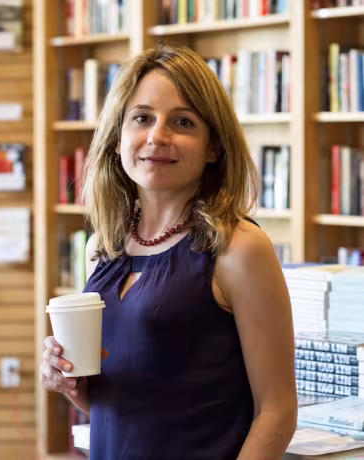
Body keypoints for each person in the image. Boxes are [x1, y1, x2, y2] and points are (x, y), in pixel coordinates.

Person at [41, 45, 297, 459]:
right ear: (118, 136)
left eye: (182, 122)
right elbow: (122, 405)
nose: (157, 136)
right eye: (142, 118)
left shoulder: (240, 249)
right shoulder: (99, 249)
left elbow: (277, 412)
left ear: (213, 146)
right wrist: (70, 382)